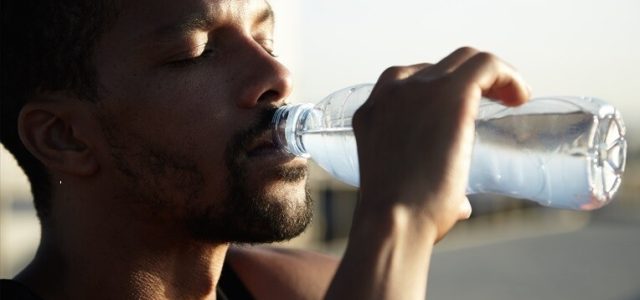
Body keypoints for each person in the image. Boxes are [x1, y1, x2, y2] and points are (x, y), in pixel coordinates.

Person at [0, 0, 530, 299]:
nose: (278, 76)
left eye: (266, 40)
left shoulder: (303, 290)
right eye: (198, 52)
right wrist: (399, 220)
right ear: (62, 136)